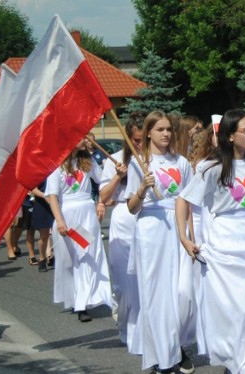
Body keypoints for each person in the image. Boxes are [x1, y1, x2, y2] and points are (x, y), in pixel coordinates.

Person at [176, 109, 245, 373]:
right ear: (228, 135)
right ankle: (239, 362)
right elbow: (183, 200)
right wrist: (184, 237)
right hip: (224, 247)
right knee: (236, 313)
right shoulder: (210, 167)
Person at [125, 111, 195, 374]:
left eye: (168, 129)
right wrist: (142, 188)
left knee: (182, 293)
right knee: (156, 295)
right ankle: (163, 357)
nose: (166, 134)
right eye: (160, 130)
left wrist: (190, 235)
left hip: (176, 230)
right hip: (151, 230)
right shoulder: (139, 163)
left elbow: (188, 202)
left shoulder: (182, 162)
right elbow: (132, 208)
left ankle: (176, 345)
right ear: (149, 133)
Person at [45, 138, 113, 323]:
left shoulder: (87, 162)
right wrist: (60, 221)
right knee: (72, 260)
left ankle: (83, 303)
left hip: (87, 217)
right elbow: (52, 196)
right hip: (68, 218)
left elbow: (103, 182)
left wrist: (103, 198)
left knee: (87, 256)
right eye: (80, 137)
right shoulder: (57, 166)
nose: (85, 140)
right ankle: (76, 299)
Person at [99, 111, 144, 353]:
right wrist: (118, 176)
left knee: (143, 280)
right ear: (127, 138)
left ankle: (144, 328)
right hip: (122, 218)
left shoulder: (151, 159)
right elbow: (104, 198)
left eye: (142, 139)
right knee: (124, 283)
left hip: (145, 218)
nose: (139, 144)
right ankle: (125, 323)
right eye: (135, 140)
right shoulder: (113, 159)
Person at [30, 180, 54, 272]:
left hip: (58, 202)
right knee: (44, 235)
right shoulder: (41, 171)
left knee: (62, 233)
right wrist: (45, 196)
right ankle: (42, 259)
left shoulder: (60, 170)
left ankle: (56, 257)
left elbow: (71, 184)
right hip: (43, 205)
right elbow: (33, 189)